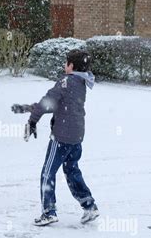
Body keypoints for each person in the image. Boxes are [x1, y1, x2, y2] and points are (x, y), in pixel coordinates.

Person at [27, 49, 99, 226]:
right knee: (72, 170)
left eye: (66, 63)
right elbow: (61, 105)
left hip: (61, 138)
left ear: (71, 66)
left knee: (47, 173)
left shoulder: (66, 81)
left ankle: (48, 211)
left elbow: (48, 102)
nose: (64, 66)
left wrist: (32, 120)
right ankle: (89, 206)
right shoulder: (82, 82)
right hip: (77, 136)